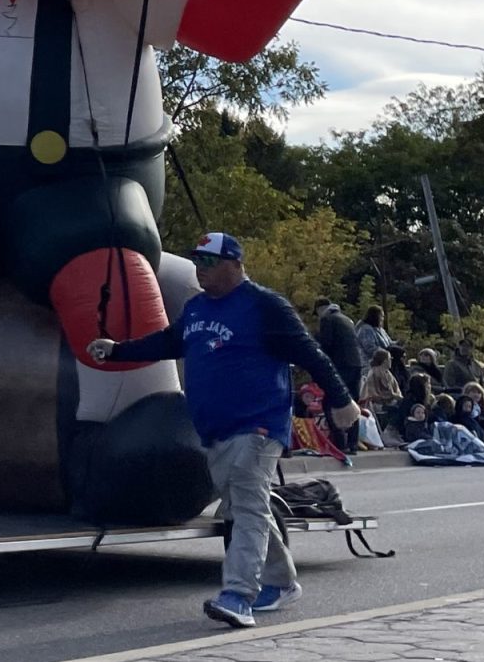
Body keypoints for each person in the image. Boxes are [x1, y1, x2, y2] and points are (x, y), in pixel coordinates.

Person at [89, 232, 358, 629]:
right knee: (244, 507)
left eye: (209, 262)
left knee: (246, 508)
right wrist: (116, 350)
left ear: (235, 263)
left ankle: (238, 595)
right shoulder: (196, 309)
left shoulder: (265, 306)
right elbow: (168, 342)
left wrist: (342, 400)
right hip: (215, 429)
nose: (201, 269)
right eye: (197, 261)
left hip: (258, 425)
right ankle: (282, 582)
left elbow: (310, 354)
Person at [314, 300, 363, 453]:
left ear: (321, 309)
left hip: (340, 365)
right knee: (352, 402)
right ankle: (353, 442)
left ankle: (339, 443)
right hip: (356, 364)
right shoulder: (346, 320)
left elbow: (326, 344)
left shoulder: (327, 319)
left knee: (330, 402)